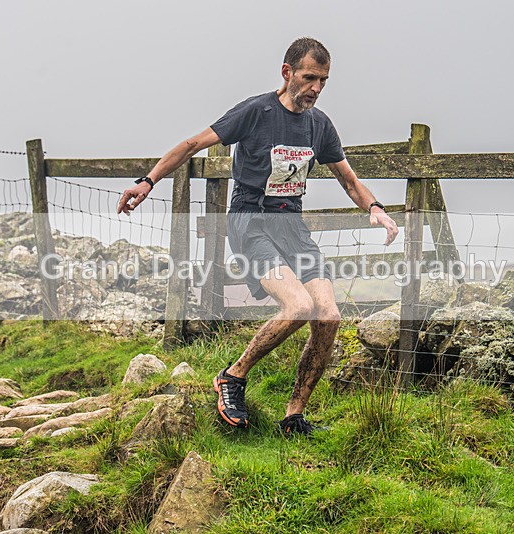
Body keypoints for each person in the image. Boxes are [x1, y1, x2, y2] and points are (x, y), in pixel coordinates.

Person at [117, 37, 399, 436]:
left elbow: (348, 180)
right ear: (287, 73)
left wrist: (376, 209)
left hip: (291, 228)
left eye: (324, 81)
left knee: (329, 316)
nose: (316, 88)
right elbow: (192, 144)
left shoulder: (319, 125)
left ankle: (293, 415)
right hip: (250, 223)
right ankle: (232, 376)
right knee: (298, 306)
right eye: (309, 78)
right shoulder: (255, 111)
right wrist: (147, 182)